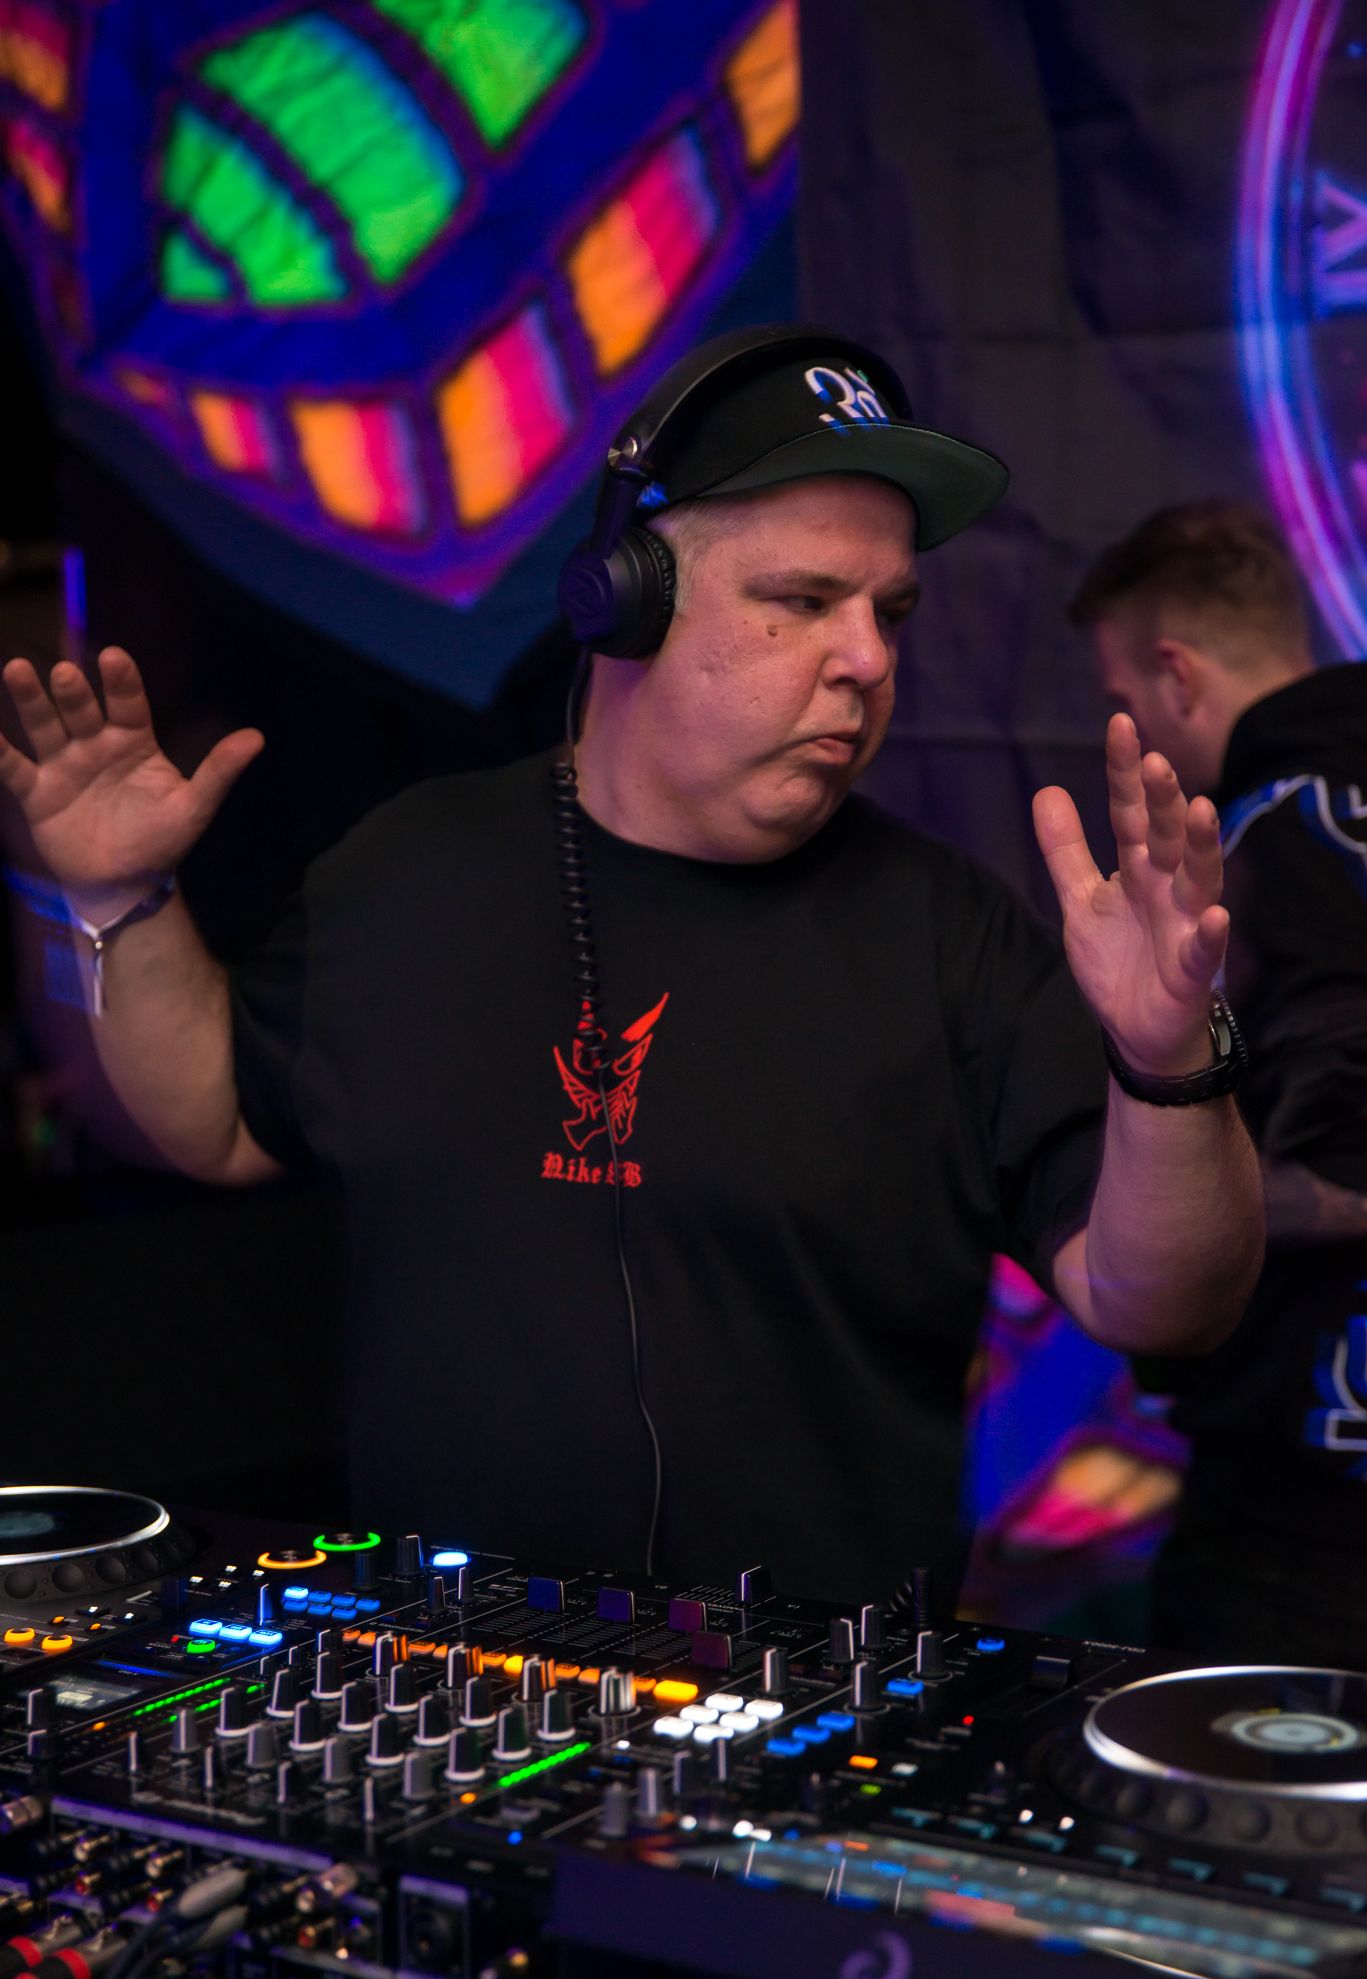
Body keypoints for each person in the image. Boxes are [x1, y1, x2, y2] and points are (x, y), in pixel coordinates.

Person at [0, 327, 1261, 1610]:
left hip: (822, 1689)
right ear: (628, 600)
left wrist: (1170, 1063)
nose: (869, 659)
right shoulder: (409, 870)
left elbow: (1162, 1304)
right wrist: (113, 896)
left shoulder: (952, 935)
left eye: (887, 612)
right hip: (446, 1671)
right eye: (803, 600)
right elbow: (213, 1120)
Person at [1072, 496, 1367, 1663]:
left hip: (1306, 1499)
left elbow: (1345, 1141)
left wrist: (1162, 1203)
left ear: (1174, 673)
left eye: (1124, 695)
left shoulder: (1261, 839)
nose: (1131, 724)